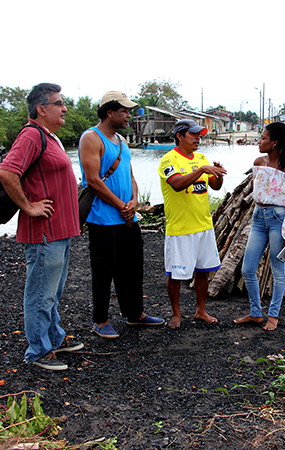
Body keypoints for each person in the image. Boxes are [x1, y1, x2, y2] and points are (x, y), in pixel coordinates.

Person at [0, 83, 83, 371]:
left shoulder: (49, 137)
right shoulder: (32, 135)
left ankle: (54, 339)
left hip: (61, 230)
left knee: (53, 291)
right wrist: (28, 206)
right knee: (40, 293)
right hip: (44, 231)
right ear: (41, 109)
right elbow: (7, 171)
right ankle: (38, 351)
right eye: (59, 103)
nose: (65, 108)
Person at [79, 91, 165, 339]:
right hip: (103, 219)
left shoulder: (122, 141)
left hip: (128, 217)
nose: (129, 115)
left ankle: (134, 313)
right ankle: (100, 320)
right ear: (109, 112)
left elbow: (131, 177)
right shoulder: (91, 138)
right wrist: (121, 205)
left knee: (132, 268)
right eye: (124, 111)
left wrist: (134, 203)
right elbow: (93, 180)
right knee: (103, 271)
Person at [158, 119, 227, 329]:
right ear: (179, 136)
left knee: (203, 270)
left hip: (203, 225)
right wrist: (201, 170)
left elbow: (214, 186)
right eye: (193, 134)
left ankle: (201, 310)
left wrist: (217, 173)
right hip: (180, 227)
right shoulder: (168, 160)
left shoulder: (201, 158)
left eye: (200, 135)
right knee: (175, 273)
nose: (198, 138)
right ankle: (176, 314)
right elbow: (177, 184)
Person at [234, 123, 285, 331]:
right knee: (248, 268)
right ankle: (255, 313)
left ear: (275, 143)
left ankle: (273, 315)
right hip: (258, 218)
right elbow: (258, 190)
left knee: (277, 269)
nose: (259, 141)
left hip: (278, 220)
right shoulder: (258, 163)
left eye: (263, 138)